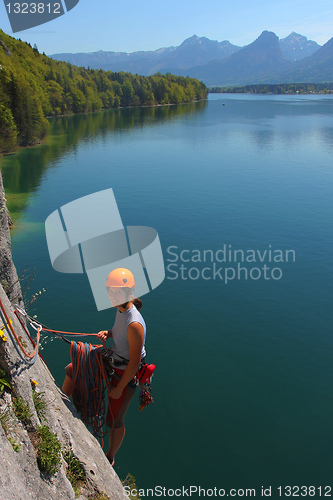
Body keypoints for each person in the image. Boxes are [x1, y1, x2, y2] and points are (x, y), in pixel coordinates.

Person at [62, 267, 146, 466]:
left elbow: (134, 362)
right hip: (114, 360)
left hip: (125, 373)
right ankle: (60, 406)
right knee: (72, 370)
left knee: (114, 421)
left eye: (117, 291)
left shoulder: (134, 323)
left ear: (128, 292)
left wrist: (118, 388)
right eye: (110, 290)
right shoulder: (121, 309)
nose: (112, 295)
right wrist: (108, 333)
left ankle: (110, 457)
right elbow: (120, 334)